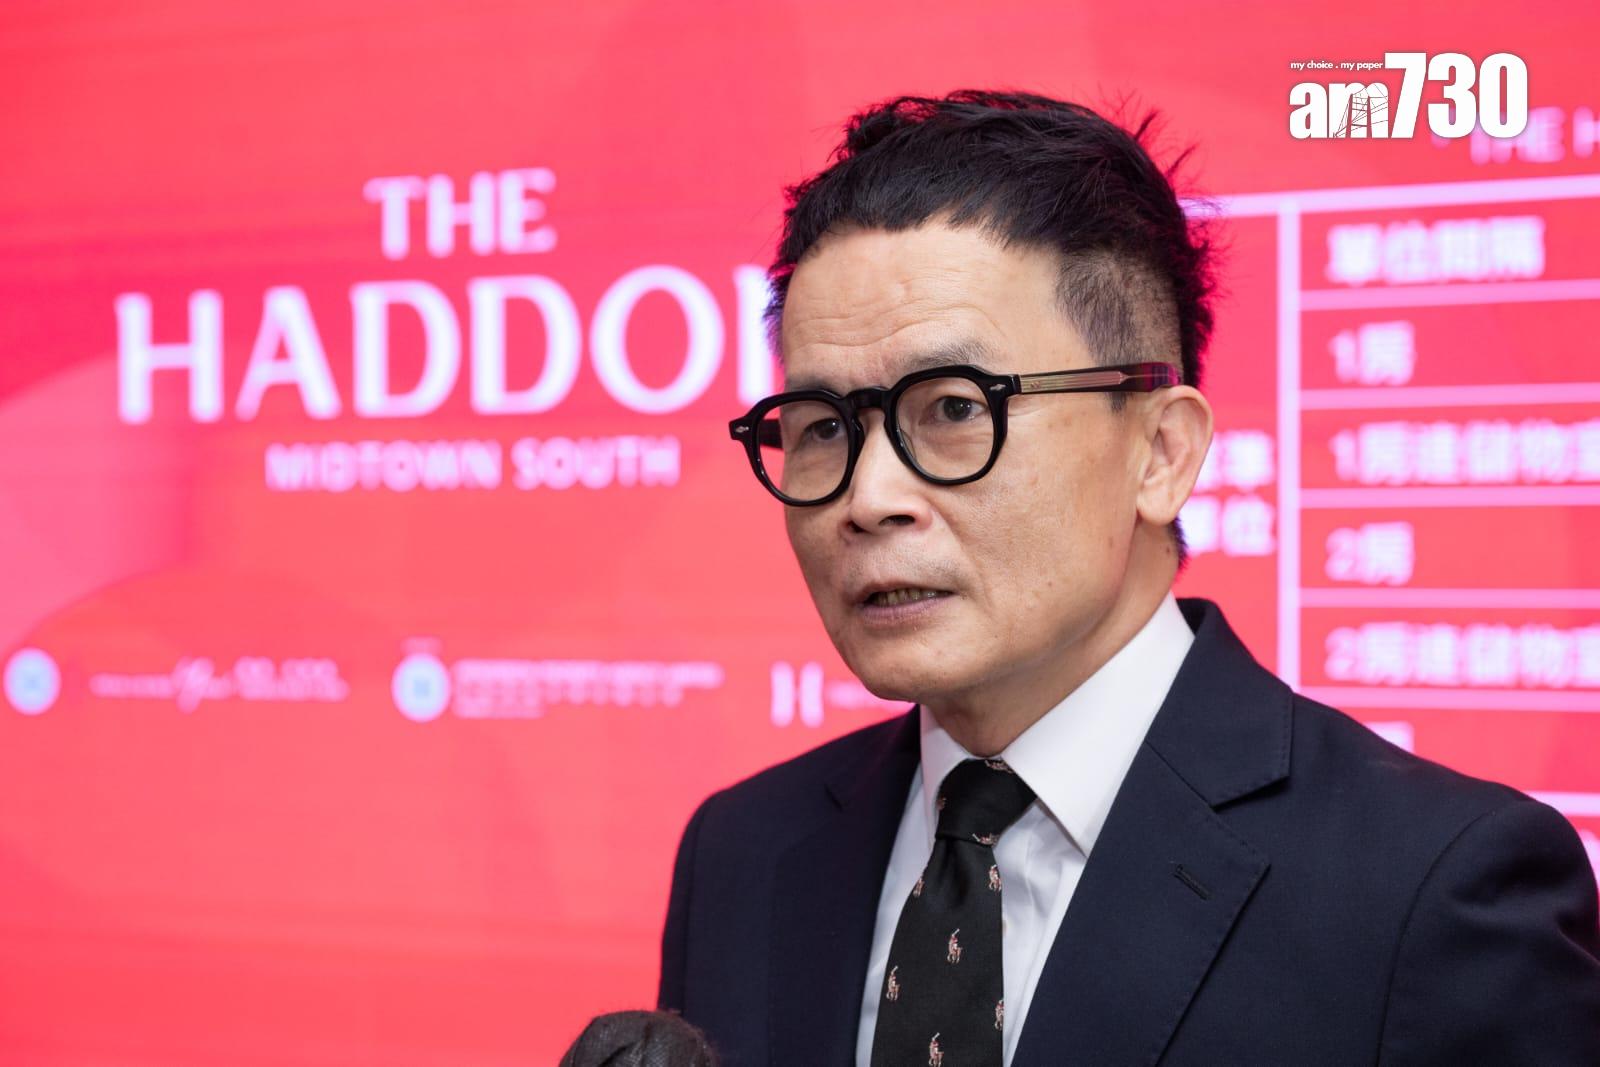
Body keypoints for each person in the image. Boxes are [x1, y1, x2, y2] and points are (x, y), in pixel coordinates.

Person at [656, 89, 1600, 1066]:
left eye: (953, 408)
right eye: (821, 427)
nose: (868, 497)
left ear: (1160, 452)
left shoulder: (1432, 891)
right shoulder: (742, 852)